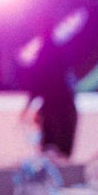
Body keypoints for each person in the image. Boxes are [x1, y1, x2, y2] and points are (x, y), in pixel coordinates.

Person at [20, 19, 81, 159]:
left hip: (58, 108)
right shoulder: (53, 53)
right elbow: (39, 83)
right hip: (59, 107)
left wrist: (27, 107)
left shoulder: (48, 54)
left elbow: (37, 84)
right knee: (57, 152)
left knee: (55, 151)